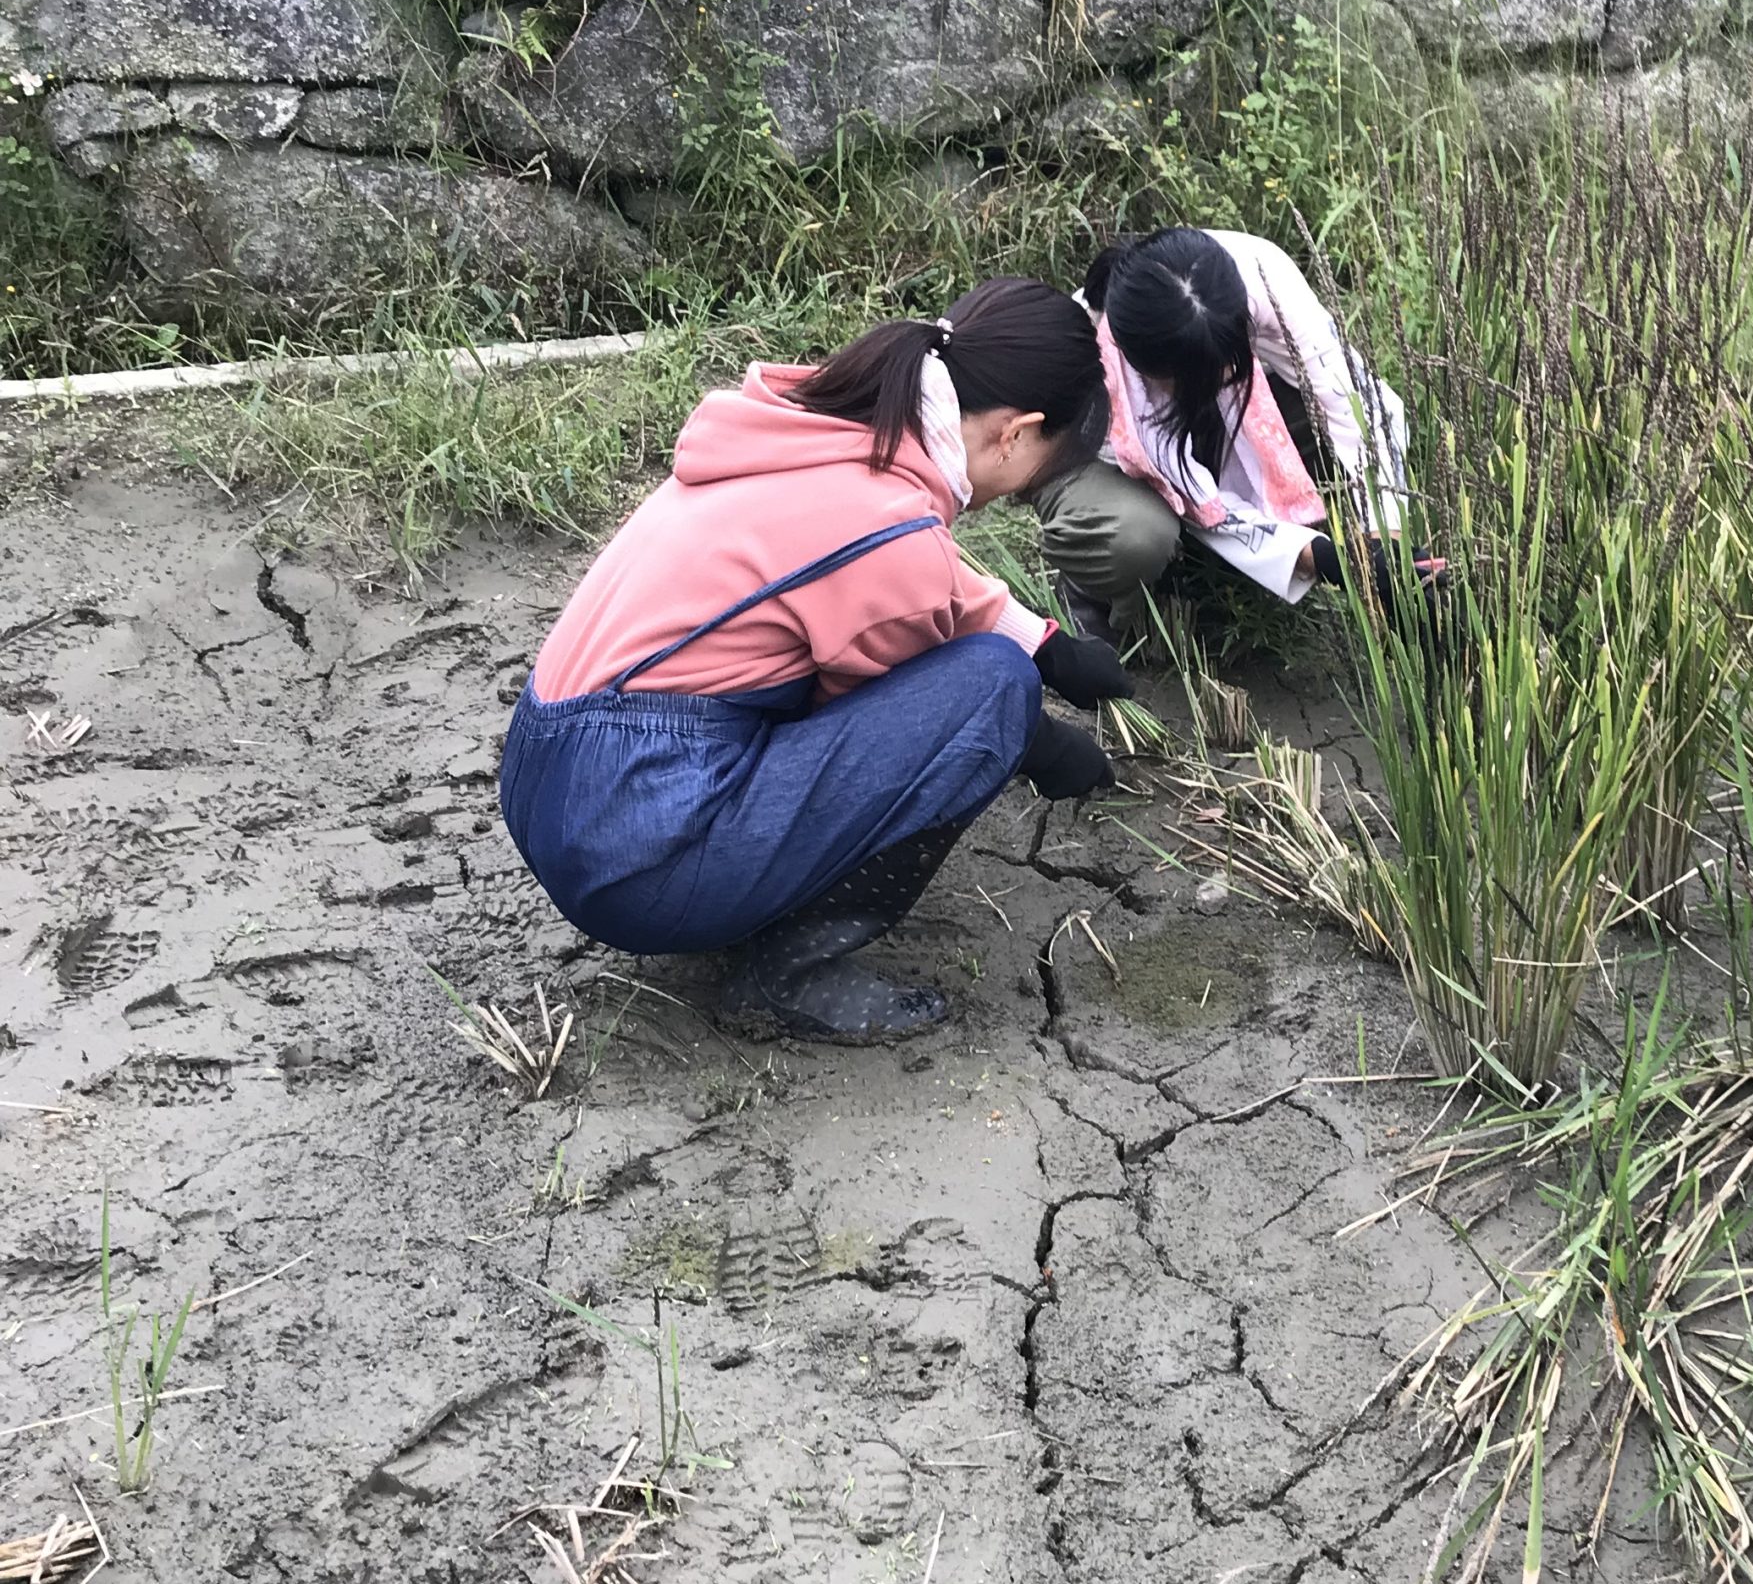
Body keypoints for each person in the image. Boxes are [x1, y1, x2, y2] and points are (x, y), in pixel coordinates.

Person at [499, 280, 1134, 1043]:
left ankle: (732, 884)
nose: (1022, 490)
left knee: (995, 670)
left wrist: (1046, 643)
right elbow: (909, 675)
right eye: (1042, 468)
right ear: (1016, 433)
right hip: (636, 856)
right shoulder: (891, 531)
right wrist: (1034, 731)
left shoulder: (822, 430)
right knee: (993, 688)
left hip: (550, 779)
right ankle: (785, 973)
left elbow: (885, 574)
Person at [1034, 226, 1426, 639]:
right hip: (1097, 460)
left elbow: (1357, 406)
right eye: (1207, 376)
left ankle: (1224, 566)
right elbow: (1196, 498)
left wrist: (1384, 537)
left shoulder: (1262, 274)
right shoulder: (1099, 360)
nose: (1224, 375)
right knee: (1138, 535)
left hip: (1209, 421)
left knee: (1319, 421)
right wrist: (1322, 558)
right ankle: (1095, 590)